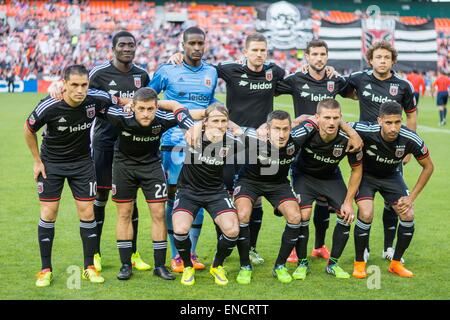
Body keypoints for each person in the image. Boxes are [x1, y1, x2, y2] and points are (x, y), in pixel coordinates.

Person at [49, 31, 151, 272]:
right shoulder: (98, 73)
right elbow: (78, 91)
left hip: (132, 145)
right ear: (113, 48)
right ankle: (94, 254)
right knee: (100, 198)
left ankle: (133, 252)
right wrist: (56, 84)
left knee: (130, 201)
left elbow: (148, 103)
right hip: (104, 144)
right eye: (122, 45)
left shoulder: (142, 75)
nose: (127, 48)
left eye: (131, 45)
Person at [24, 65, 114, 287]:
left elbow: (116, 100)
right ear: (63, 84)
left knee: (87, 212)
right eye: (74, 84)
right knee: (49, 212)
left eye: (84, 85)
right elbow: (28, 129)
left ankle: (89, 267)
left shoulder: (96, 99)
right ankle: (45, 269)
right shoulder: (50, 104)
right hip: (51, 165)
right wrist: (37, 161)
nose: (80, 90)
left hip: (83, 163)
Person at [104, 88, 200, 281]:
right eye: (141, 109)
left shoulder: (162, 118)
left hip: (151, 168)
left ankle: (159, 266)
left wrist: (199, 120)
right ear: (133, 107)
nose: (146, 113)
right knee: (124, 214)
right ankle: (125, 264)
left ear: (157, 107)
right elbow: (94, 103)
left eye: (150, 108)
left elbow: (188, 113)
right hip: (124, 167)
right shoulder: (119, 116)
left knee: (158, 213)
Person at [276, 39, 353, 263]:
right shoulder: (296, 79)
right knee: (302, 208)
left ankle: (319, 246)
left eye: (323, 54)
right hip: (303, 147)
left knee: (324, 202)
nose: (319, 58)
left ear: (327, 57)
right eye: (315, 54)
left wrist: (350, 129)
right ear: (307, 57)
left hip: (329, 146)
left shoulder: (335, 80)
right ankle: (294, 246)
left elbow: (354, 93)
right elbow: (271, 89)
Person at [149, 27, 217, 273]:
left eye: (201, 43)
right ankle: (177, 254)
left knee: (197, 196)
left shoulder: (211, 71)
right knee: (174, 197)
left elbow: (210, 103)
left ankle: (193, 252)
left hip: (202, 144)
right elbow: (147, 98)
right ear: (183, 45)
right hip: (172, 143)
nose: (197, 48)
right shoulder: (167, 70)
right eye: (192, 44)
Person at [345, 41, 417, 263]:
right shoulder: (359, 78)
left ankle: (388, 247)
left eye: (387, 57)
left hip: (393, 148)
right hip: (365, 147)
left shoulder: (403, 85)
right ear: (370, 60)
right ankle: (364, 248)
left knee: (393, 203)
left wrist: (408, 149)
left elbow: (411, 115)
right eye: (378, 57)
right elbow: (345, 91)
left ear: (393, 60)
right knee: (365, 206)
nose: (383, 61)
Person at [351, 101, 434, 278]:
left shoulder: (410, 138)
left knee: (408, 214)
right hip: (366, 176)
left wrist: (411, 197)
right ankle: (359, 263)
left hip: (392, 177)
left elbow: (428, 167)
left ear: (401, 121)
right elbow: (339, 123)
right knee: (366, 213)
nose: (393, 128)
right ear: (379, 120)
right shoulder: (366, 129)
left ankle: (396, 263)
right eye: (388, 123)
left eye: (397, 122)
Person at [291, 98, 363, 279]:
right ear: (317, 118)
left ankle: (333, 264)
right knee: (303, 215)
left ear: (341, 119)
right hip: (304, 176)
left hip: (330, 177)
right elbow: (285, 148)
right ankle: (302, 263)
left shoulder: (348, 138)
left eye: (335, 118)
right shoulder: (307, 130)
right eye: (327, 118)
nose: (331, 122)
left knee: (347, 216)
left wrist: (348, 201)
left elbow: (356, 170)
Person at [172, 103, 240, 286]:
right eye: (215, 120)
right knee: (180, 229)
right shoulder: (193, 130)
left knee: (232, 230)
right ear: (206, 122)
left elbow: (260, 139)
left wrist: (236, 128)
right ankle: (187, 266)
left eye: (223, 121)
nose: (219, 125)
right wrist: (195, 125)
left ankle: (217, 266)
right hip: (188, 191)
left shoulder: (234, 141)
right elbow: (177, 109)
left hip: (215, 192)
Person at [233, 110, 302, 284]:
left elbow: (313, 119)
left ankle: (280, 265)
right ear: (268, 129)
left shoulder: (298, 138)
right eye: (277, 129)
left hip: (278, 184)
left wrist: (351, 133)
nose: (282, 134)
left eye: (286, 129)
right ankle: (245, 266)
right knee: (243, 215)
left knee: (295, 217)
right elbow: (229, 125)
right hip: (249, 181)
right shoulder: (253, 137)